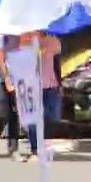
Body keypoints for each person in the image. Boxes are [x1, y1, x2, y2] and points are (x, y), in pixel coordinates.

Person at [22, 31, 62, 162]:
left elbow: (57, 64)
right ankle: (35, 147)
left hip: (51, 84)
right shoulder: (26, 41)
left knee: (52, 116)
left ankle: (42, 142)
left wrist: (60, 83)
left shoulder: (54, 41)